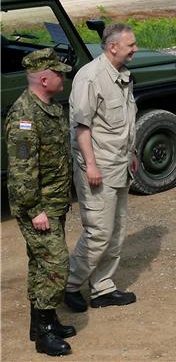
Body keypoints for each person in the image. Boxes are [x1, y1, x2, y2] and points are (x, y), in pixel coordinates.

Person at [5, 48, 76, 356]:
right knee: (56, 263)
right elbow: (21, 173)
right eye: (58, 73)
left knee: (41, 263)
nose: (62, 77)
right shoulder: (25, 116)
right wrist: (35, 210)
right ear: (44, 78)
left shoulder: (49, 106)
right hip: (37, 206)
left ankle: (42, 321)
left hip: (54, 201)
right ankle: (44, 334)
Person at [64, 23, 139, 312]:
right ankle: (69, 284)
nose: (134, 49)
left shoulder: (122, 75)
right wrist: (91, 166)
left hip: (119, 163)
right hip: (98, 168)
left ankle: (103, 287)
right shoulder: (91, 77)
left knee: (116, 230)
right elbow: (81, 127)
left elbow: (124, 122)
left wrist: (131, 152)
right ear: (113, 47)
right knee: (98, 232)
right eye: (130, 45)